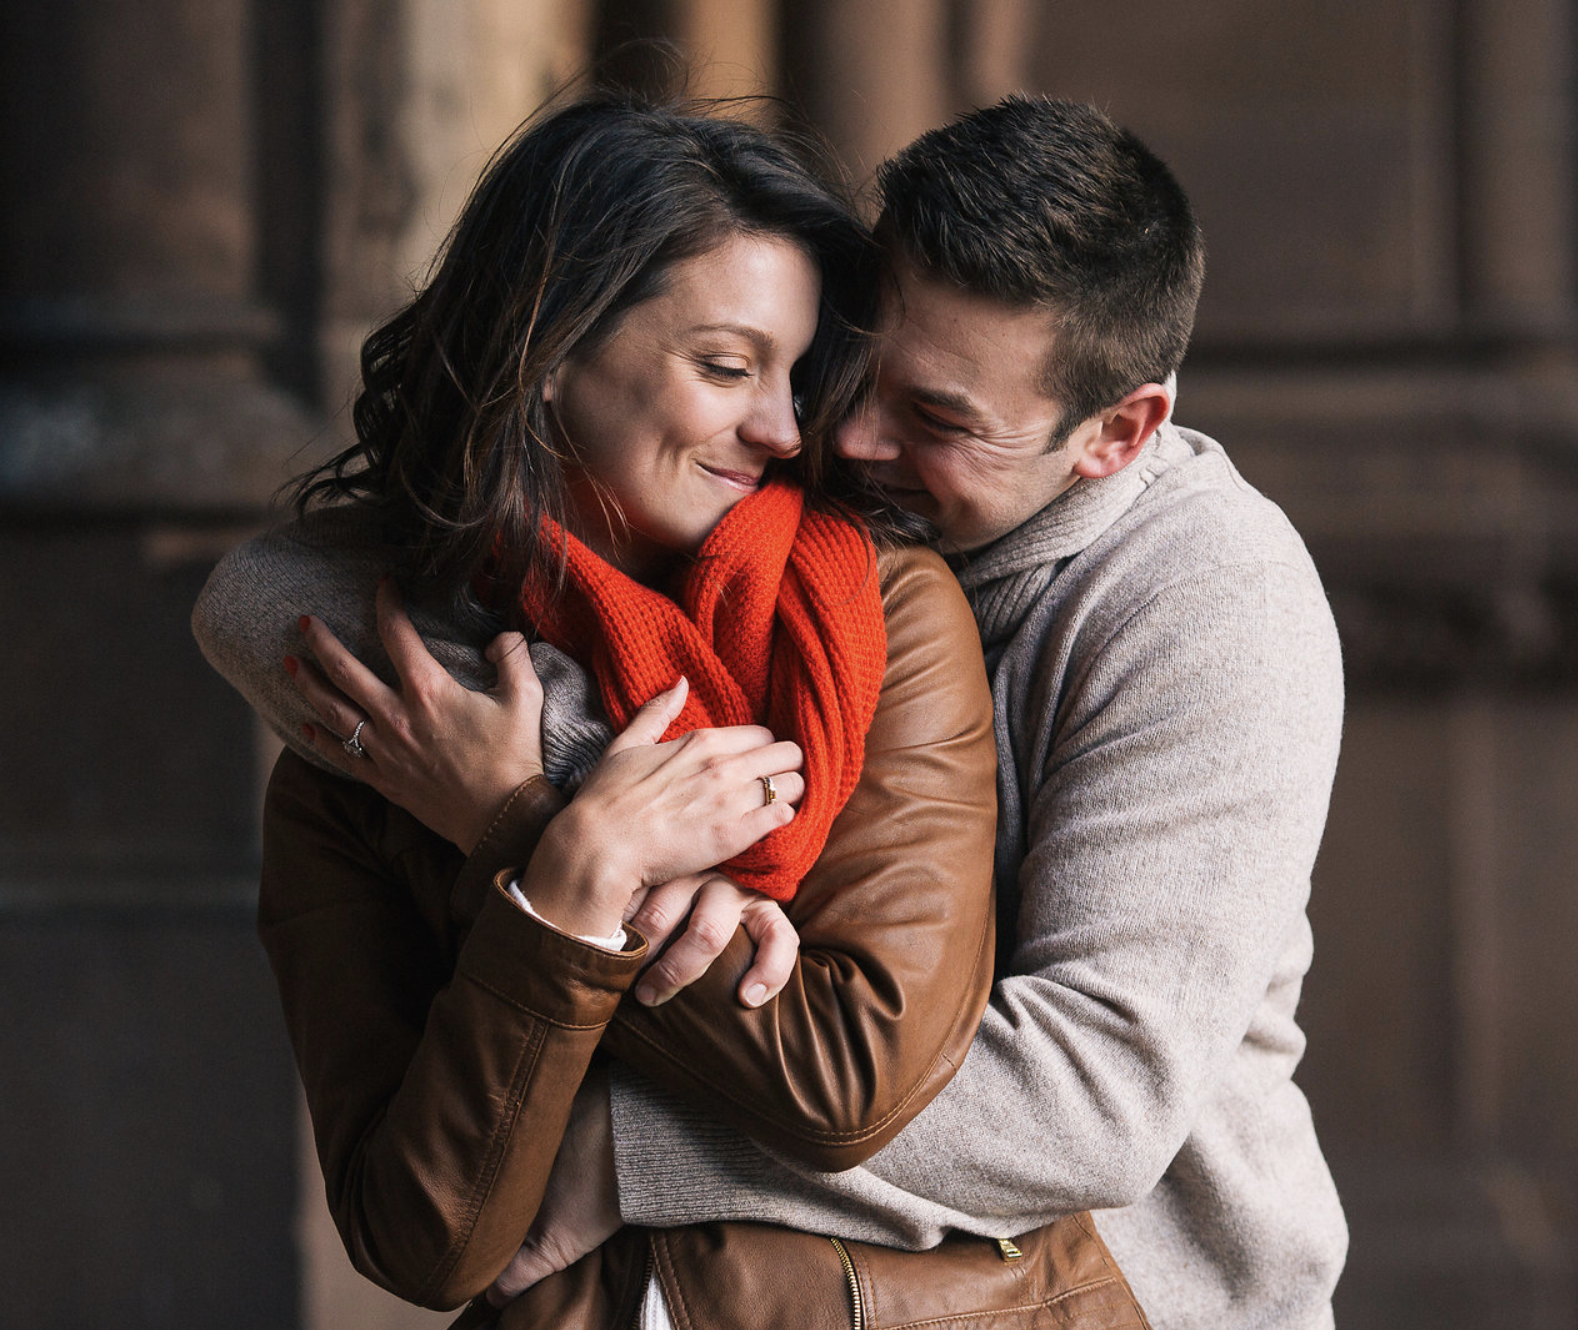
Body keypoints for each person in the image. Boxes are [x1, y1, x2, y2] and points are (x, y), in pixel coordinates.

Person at [192, 96, 1007, 1326]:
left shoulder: (877, 614)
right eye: (728, 368)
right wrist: (579, 888)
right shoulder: (371, 728)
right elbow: (422, 1237)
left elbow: (849, 1082)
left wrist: (519, 828)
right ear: (551, 353)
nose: (784, 431)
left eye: (796, 375)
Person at [578, 96, 1349, 1330]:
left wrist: (623, 1155)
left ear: (1116, 432)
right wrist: (549, 804)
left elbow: (1086, 1101)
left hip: (1135, 1298)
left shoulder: (1210, 595)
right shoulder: (771, 435)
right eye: (856, 368)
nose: (848, 436)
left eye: (940, 419)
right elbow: (276, 589)